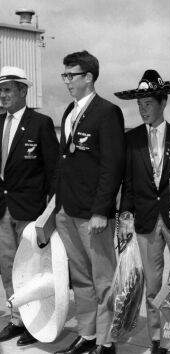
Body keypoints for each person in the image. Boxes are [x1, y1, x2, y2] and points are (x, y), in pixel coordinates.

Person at [54, 51, 125, 354]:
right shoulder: (69, 111)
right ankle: (87, 334)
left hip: (92, 215)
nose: (67, 80)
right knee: (80, 279)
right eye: (64, 75)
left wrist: (101, 210)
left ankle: (107, 342)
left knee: (103, 280)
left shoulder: (107, 112)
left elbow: (112, 165)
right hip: (67, 210)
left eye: (72, 74)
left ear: (89, 77)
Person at [115, 69, 170, 354]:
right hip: (145, 220)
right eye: (140, 104)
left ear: (163, 102)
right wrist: (124, 217)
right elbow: (128, 183)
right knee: (153, 284)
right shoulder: (131, 139)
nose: (143, 110)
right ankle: (157, 338)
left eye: (148, 104)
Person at [0, 66, 59, 347]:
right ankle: (16, 319)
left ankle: (36, 322)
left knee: (31, 270)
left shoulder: (41, 123)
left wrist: (49, 211)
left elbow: (53, 170)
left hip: (30, 209)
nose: (3, 95)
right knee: (8, 266)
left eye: (8, 89)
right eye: (0, 90)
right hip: (2, 208)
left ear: (24, 91)